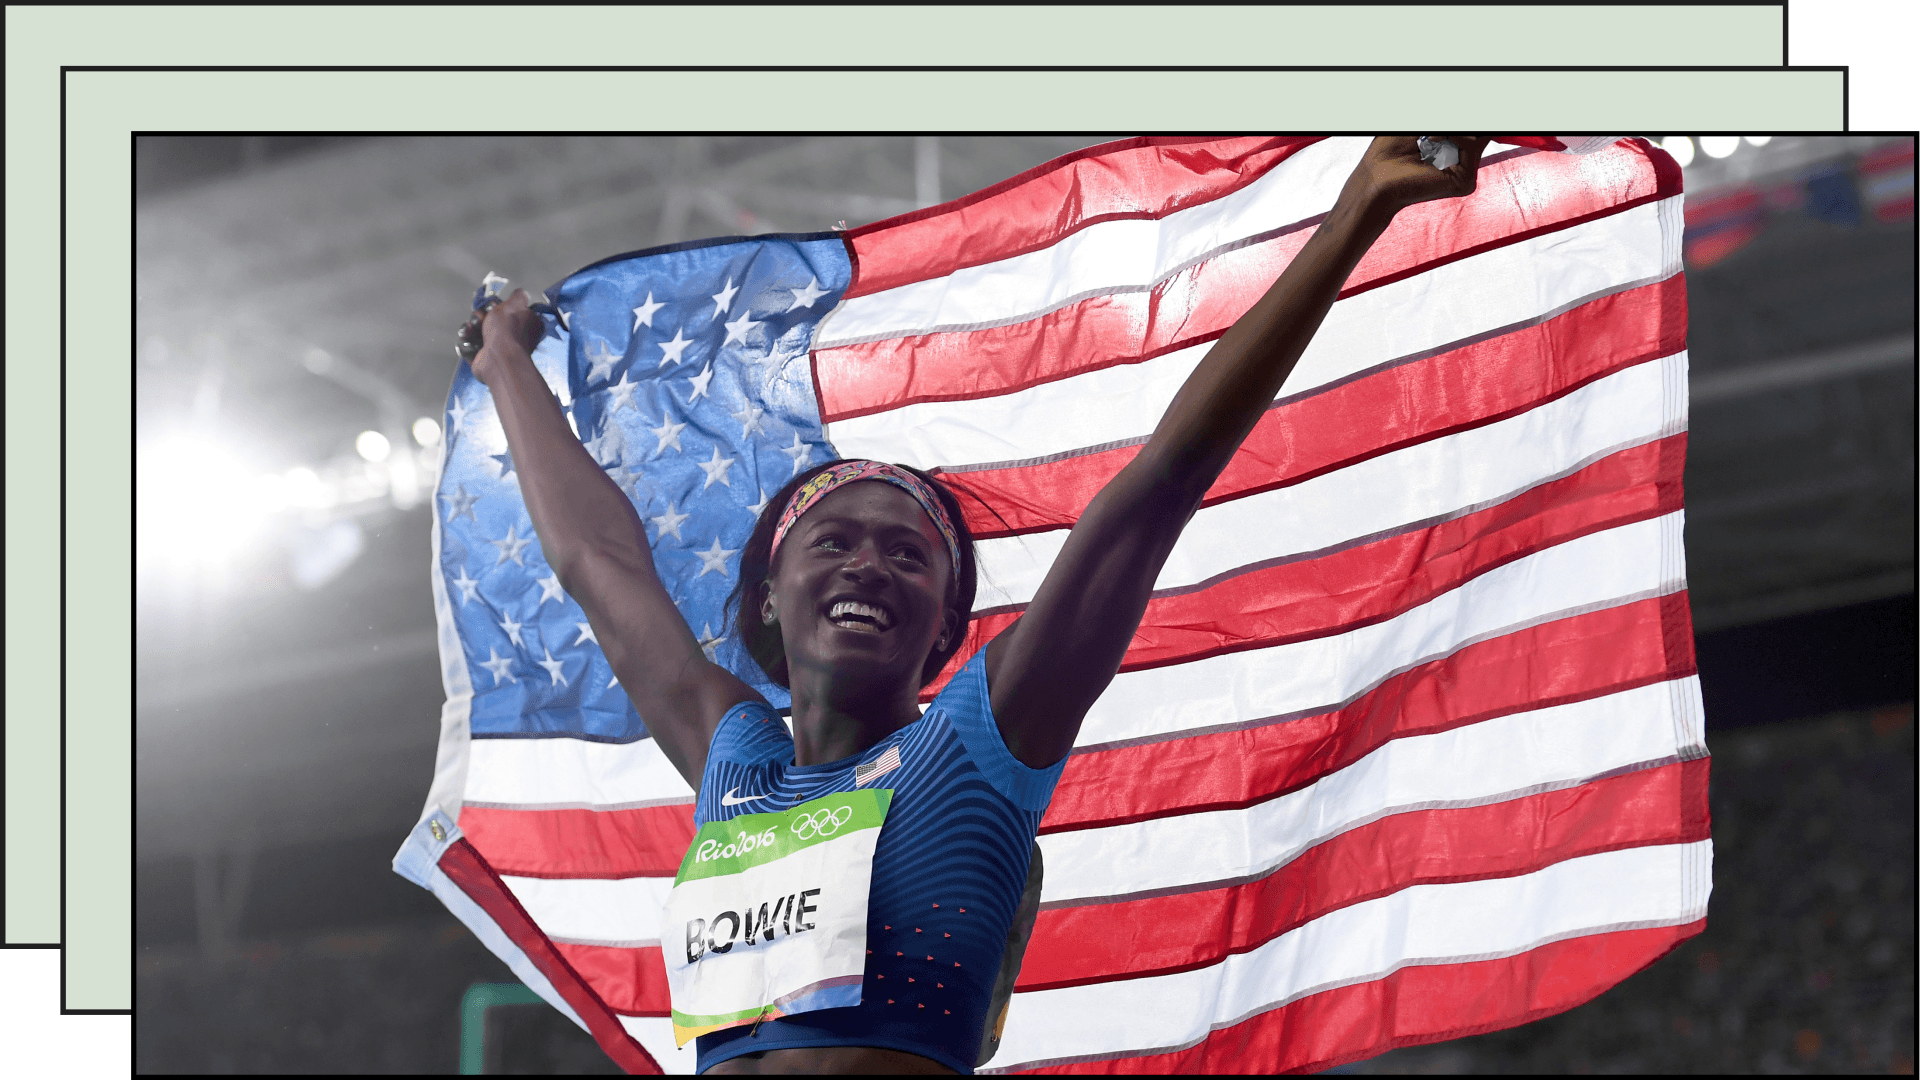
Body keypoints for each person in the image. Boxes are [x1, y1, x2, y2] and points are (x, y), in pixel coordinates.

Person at [466, 135, 1491, 1075]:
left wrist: (1359, 209)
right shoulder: (735, 761)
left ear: (946, 629)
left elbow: (1157, 487)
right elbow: (598, 561)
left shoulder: (977, 742)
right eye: (835, 543)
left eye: (909, 557)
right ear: (769, 601)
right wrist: (506, 362)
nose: (870, 565)